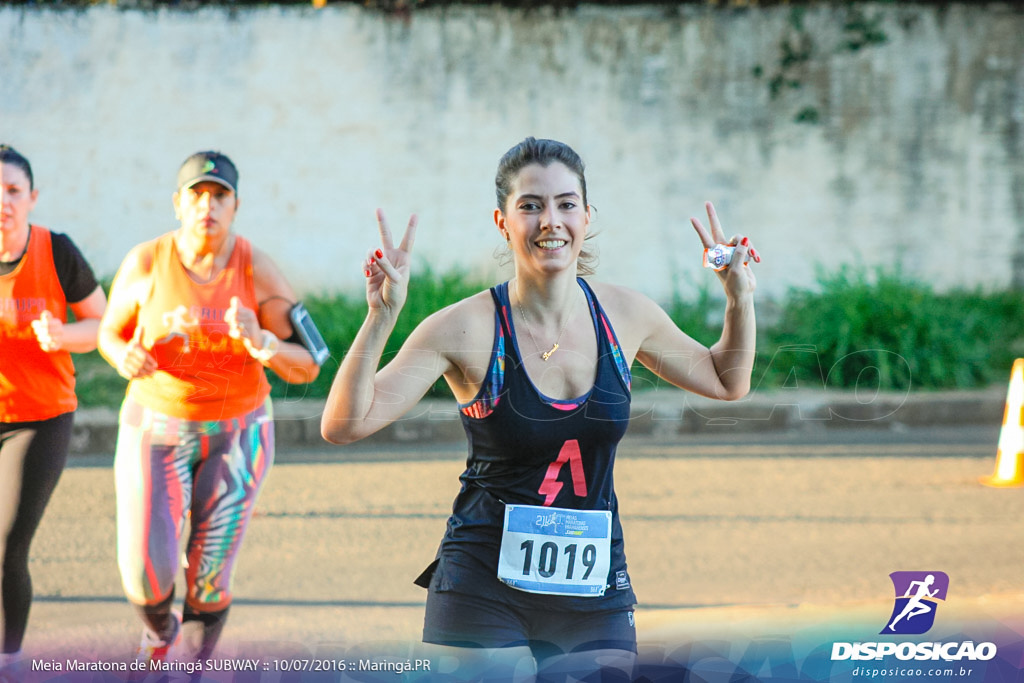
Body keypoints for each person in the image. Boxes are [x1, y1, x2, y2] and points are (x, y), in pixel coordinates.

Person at [321, 137, 761, 680]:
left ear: (587, 215)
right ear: (503, 222)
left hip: (592, 586)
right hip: (482, 581)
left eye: (565, 203)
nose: (550, 220)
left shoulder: (624, 315)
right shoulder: (465, 327)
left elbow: (726, 379)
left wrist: (739, 298)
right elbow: (343, 424)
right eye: (530, 205)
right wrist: (380, 318)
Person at [98, 151, 321, 663]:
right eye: (197, 195)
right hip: (154, 427)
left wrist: (264, 342)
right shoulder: (147, 261)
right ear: (178, 203)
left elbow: (309, 364)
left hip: (238, 434)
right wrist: (121, 354)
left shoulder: (257, 269)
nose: (208, 206)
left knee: (210, 575)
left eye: (219, 196)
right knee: (145, 573)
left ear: (235, 205)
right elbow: (111, 331)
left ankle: (193, 666)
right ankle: (158, 635)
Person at [0, 145, 107, 669]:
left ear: (32, 198)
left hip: (38, 418)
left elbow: (103, 326)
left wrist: (64, 334)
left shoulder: (57, 250)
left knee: (4, 549)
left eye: (13, 190)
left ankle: (9, 660)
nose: (2, 201)